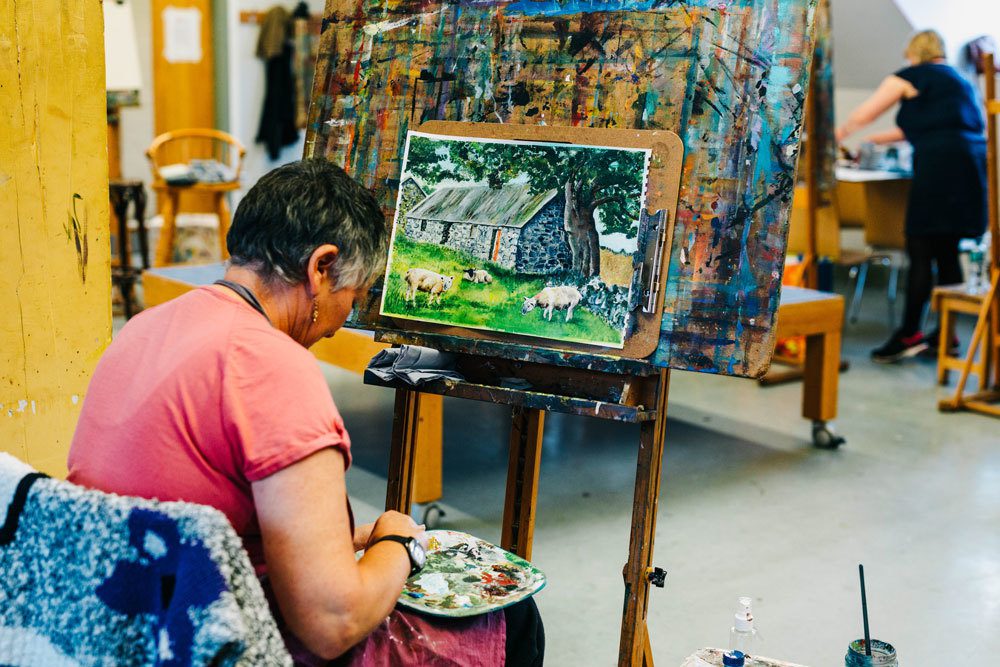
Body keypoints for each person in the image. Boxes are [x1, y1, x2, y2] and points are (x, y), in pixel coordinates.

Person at [68, 159, 544, 665]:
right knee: (512, 616)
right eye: (353, 296)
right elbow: (331, 623)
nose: (342, 322)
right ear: (321, 267)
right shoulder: (272, 366)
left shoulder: (146, 326)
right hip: (214, 641)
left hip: (128, 622)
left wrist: (360, 541)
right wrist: (401, 543)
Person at [836, 29, 988, 363]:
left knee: (919, 248)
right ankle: (946, 337)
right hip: (972, 167)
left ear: (914, 54)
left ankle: (909, 334)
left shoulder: (912, 74)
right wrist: (879, 140)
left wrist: (838, 133)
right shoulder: (960, 81)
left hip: (940, 167)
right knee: (946, 251)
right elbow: (928, 127)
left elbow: (868, 112)